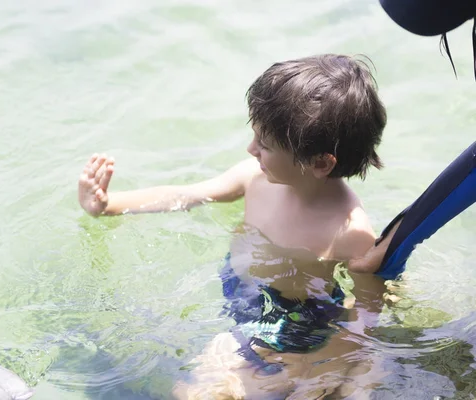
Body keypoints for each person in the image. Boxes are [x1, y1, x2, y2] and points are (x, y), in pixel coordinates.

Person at [78, 53, 389, 398]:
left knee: (351, 382)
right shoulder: (253, 177)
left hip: (302, 325)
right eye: (255, 136)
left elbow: (367, 313)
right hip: (244, 303)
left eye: (265, 145)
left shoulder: (351, 233)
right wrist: (109, 206)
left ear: (319, 163)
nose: (251, 148)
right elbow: (186, 195)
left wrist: (316, 360)